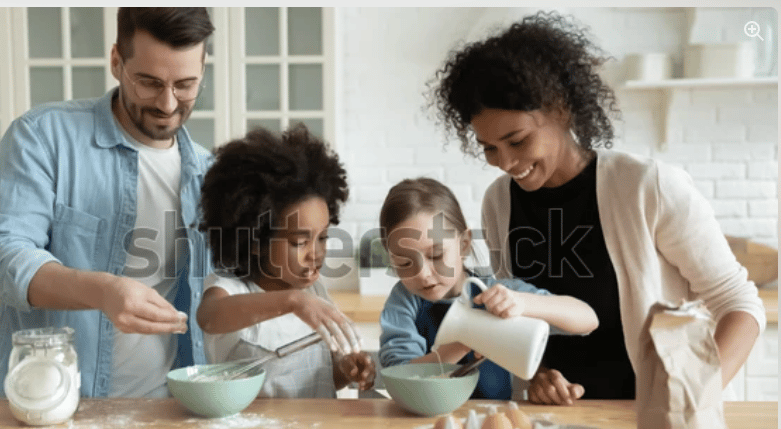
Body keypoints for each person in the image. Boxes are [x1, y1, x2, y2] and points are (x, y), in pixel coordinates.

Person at [428, 12, 766, 404]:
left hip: (653, 414)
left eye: (517, 141)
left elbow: (738, 303)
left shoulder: (646, 187)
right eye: (489, 148)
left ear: (560, 110)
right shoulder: (498, 200)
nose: (504, 162)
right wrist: (536, 375)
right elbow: (518, 316)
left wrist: (694, 398)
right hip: (558, 416)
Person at [0, 8, 215, 398]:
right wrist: (103, 291)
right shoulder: (43, 138)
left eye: (185, 85)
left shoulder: (209, 174)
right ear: (116, 61)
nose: (169, 104)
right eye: (149, 83)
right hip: (50, 410)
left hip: (166, 410)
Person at [378, 177, 598, 400]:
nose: (423, 274)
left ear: (464, 244)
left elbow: (587, 319)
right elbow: (401, 376)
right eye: (405, 263)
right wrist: (464, 340)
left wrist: (524, 303)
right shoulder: (404, 301)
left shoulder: (496, 294)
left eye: (436, 255)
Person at [196, 124, 375, 398]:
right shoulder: (231, 289)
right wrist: (292, 301)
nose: (316, 253)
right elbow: (209, 317)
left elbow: (318, 379)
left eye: (323, 238)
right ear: (256, 241)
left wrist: (346, 370)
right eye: (300, 242)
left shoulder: (315, 293)